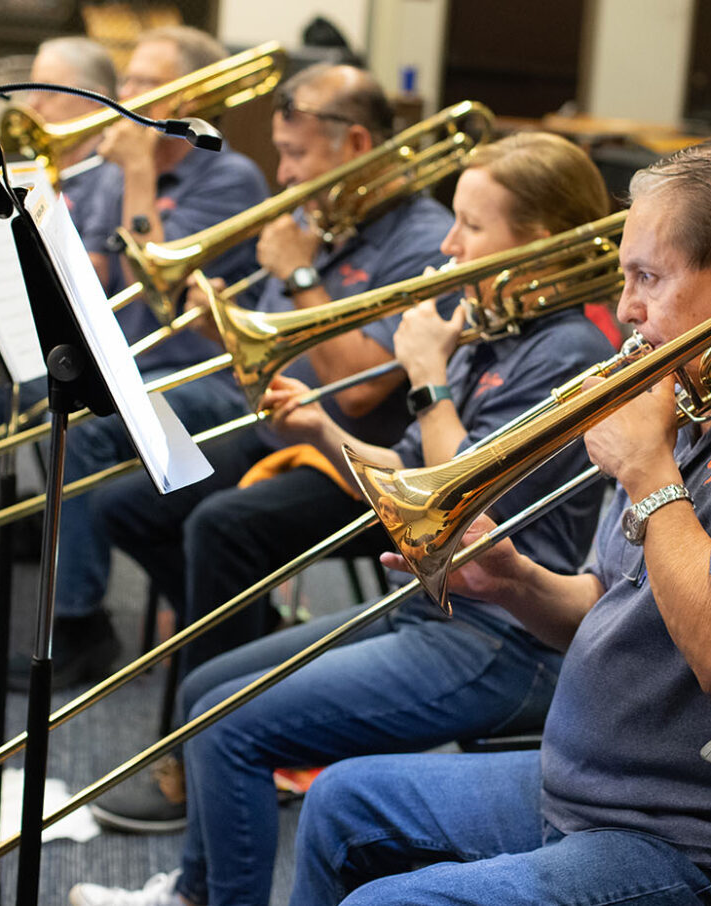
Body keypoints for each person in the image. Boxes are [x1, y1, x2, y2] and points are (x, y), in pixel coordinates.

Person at [286, 137, 711, 906]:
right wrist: (515, 583)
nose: (625, 310)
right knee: (340, 803)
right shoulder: (700, 396)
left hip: (705, 842)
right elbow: (604, 603)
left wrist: (650, 471)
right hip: (588, 791)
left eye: (647, 276)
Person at [70, 132, 618, 906]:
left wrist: (428, 380)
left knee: (232, 729)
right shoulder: (494, 328)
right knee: (205, 690)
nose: (450, 245)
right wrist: (323, 432)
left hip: (505, 639)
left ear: (536, 242)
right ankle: (193, 893)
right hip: (433, 609)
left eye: (471, 226)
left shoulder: (567, 352)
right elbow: (408, 481)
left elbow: (461, 514)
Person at [39, 61, 453, 692]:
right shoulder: (329, 221)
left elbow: (361, 389)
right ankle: (243, 643)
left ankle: (214, 700)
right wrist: (222, 328)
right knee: (126, 507)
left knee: (220, 527)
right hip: (287, 432)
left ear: (359, 145)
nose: (282, 175)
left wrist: (300, 276)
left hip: (357, 461)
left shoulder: (420, 237)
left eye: (293, 154)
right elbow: (286, 357)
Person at [0, 27, 271, 652]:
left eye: (145, 84)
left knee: (86, 420)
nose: (126, 95)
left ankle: (76, 622)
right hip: (118, 355)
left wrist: (135, 175)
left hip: (197, 380)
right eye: (127, 79)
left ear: (195, 96)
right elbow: (89, 271)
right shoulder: (106, 168)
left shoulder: (227, 175)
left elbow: (152, 284)